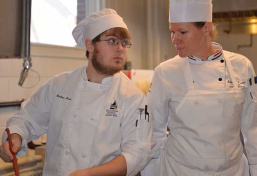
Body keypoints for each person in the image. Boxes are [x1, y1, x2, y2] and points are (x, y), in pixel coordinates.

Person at [0, 8, 153, 176]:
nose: (120, 49)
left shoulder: (134, 98)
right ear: (90, 45)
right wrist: (16, 136)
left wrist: (90, 174)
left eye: (124, 43)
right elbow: (26, 119)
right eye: (112, 41)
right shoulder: (60, 85)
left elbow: (137, 153)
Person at [142, 0, 257, 176]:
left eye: (182, 32)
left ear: (206, 28)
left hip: (233, 171)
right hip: (178, 170)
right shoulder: (165, 72)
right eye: (172, 31)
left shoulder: (241, 66)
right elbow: (153, 131)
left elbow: (254, 126)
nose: (174, 39)